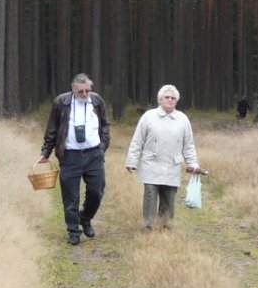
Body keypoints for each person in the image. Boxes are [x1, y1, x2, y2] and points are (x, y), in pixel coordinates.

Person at [40, 74, 110, 245]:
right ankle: (73, 230)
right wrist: (45, 153)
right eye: (81, 91)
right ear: (73, 89)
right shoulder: (61, 102)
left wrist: (102, 146)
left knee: (96, 191)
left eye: (87, 90)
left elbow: (105, 124)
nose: (84, 94)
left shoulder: (97, 101)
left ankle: (85, 218)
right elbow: (52, 128)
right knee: (70, 196)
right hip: (70, 155)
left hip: (94, 154)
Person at [125, 85, 201, 230]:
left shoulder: (183, 119)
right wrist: (131, 161)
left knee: (169, 198)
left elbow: (189, 145)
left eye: (173, 98)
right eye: (167, 97)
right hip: (151, 164)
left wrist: (193, 163)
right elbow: (137, 140)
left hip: (172, 166)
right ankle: (148, 226)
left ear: (176, 101)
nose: (170, 100)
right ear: (160, 100)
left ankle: (165, 227)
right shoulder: (148, 117)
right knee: (150, 196)